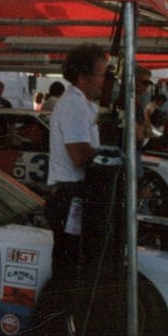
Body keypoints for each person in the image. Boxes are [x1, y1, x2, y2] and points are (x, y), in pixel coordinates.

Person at [45, 45, 109, 275]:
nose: (105, 81)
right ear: (83, 76)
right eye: (101, 74)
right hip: (70, 195)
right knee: (71, 266)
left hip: (77, 193)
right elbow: (80, 155)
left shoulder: (86, 103)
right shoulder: (73, 104)